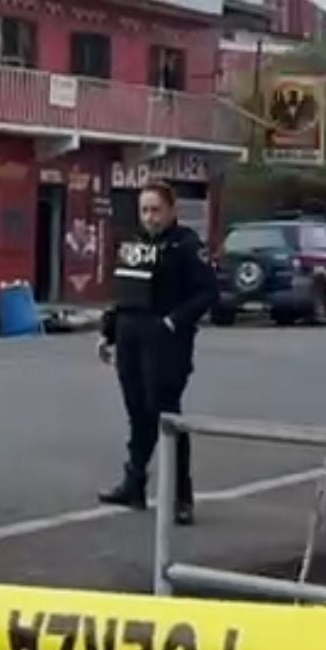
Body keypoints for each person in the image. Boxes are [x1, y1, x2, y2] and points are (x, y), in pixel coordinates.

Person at [97, 181, 218, 525]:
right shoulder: (134, 243)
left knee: (166, 415)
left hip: (166, 343)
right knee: (138, 413)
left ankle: (182, 496)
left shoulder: (186, 245)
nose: (150, 217)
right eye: (145, 210)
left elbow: (207, 293)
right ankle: (133, 484)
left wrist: (172, 322)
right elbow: (124, 292)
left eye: (156, 210)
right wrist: (108, 333)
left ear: (171, 210)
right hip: (130, 336)